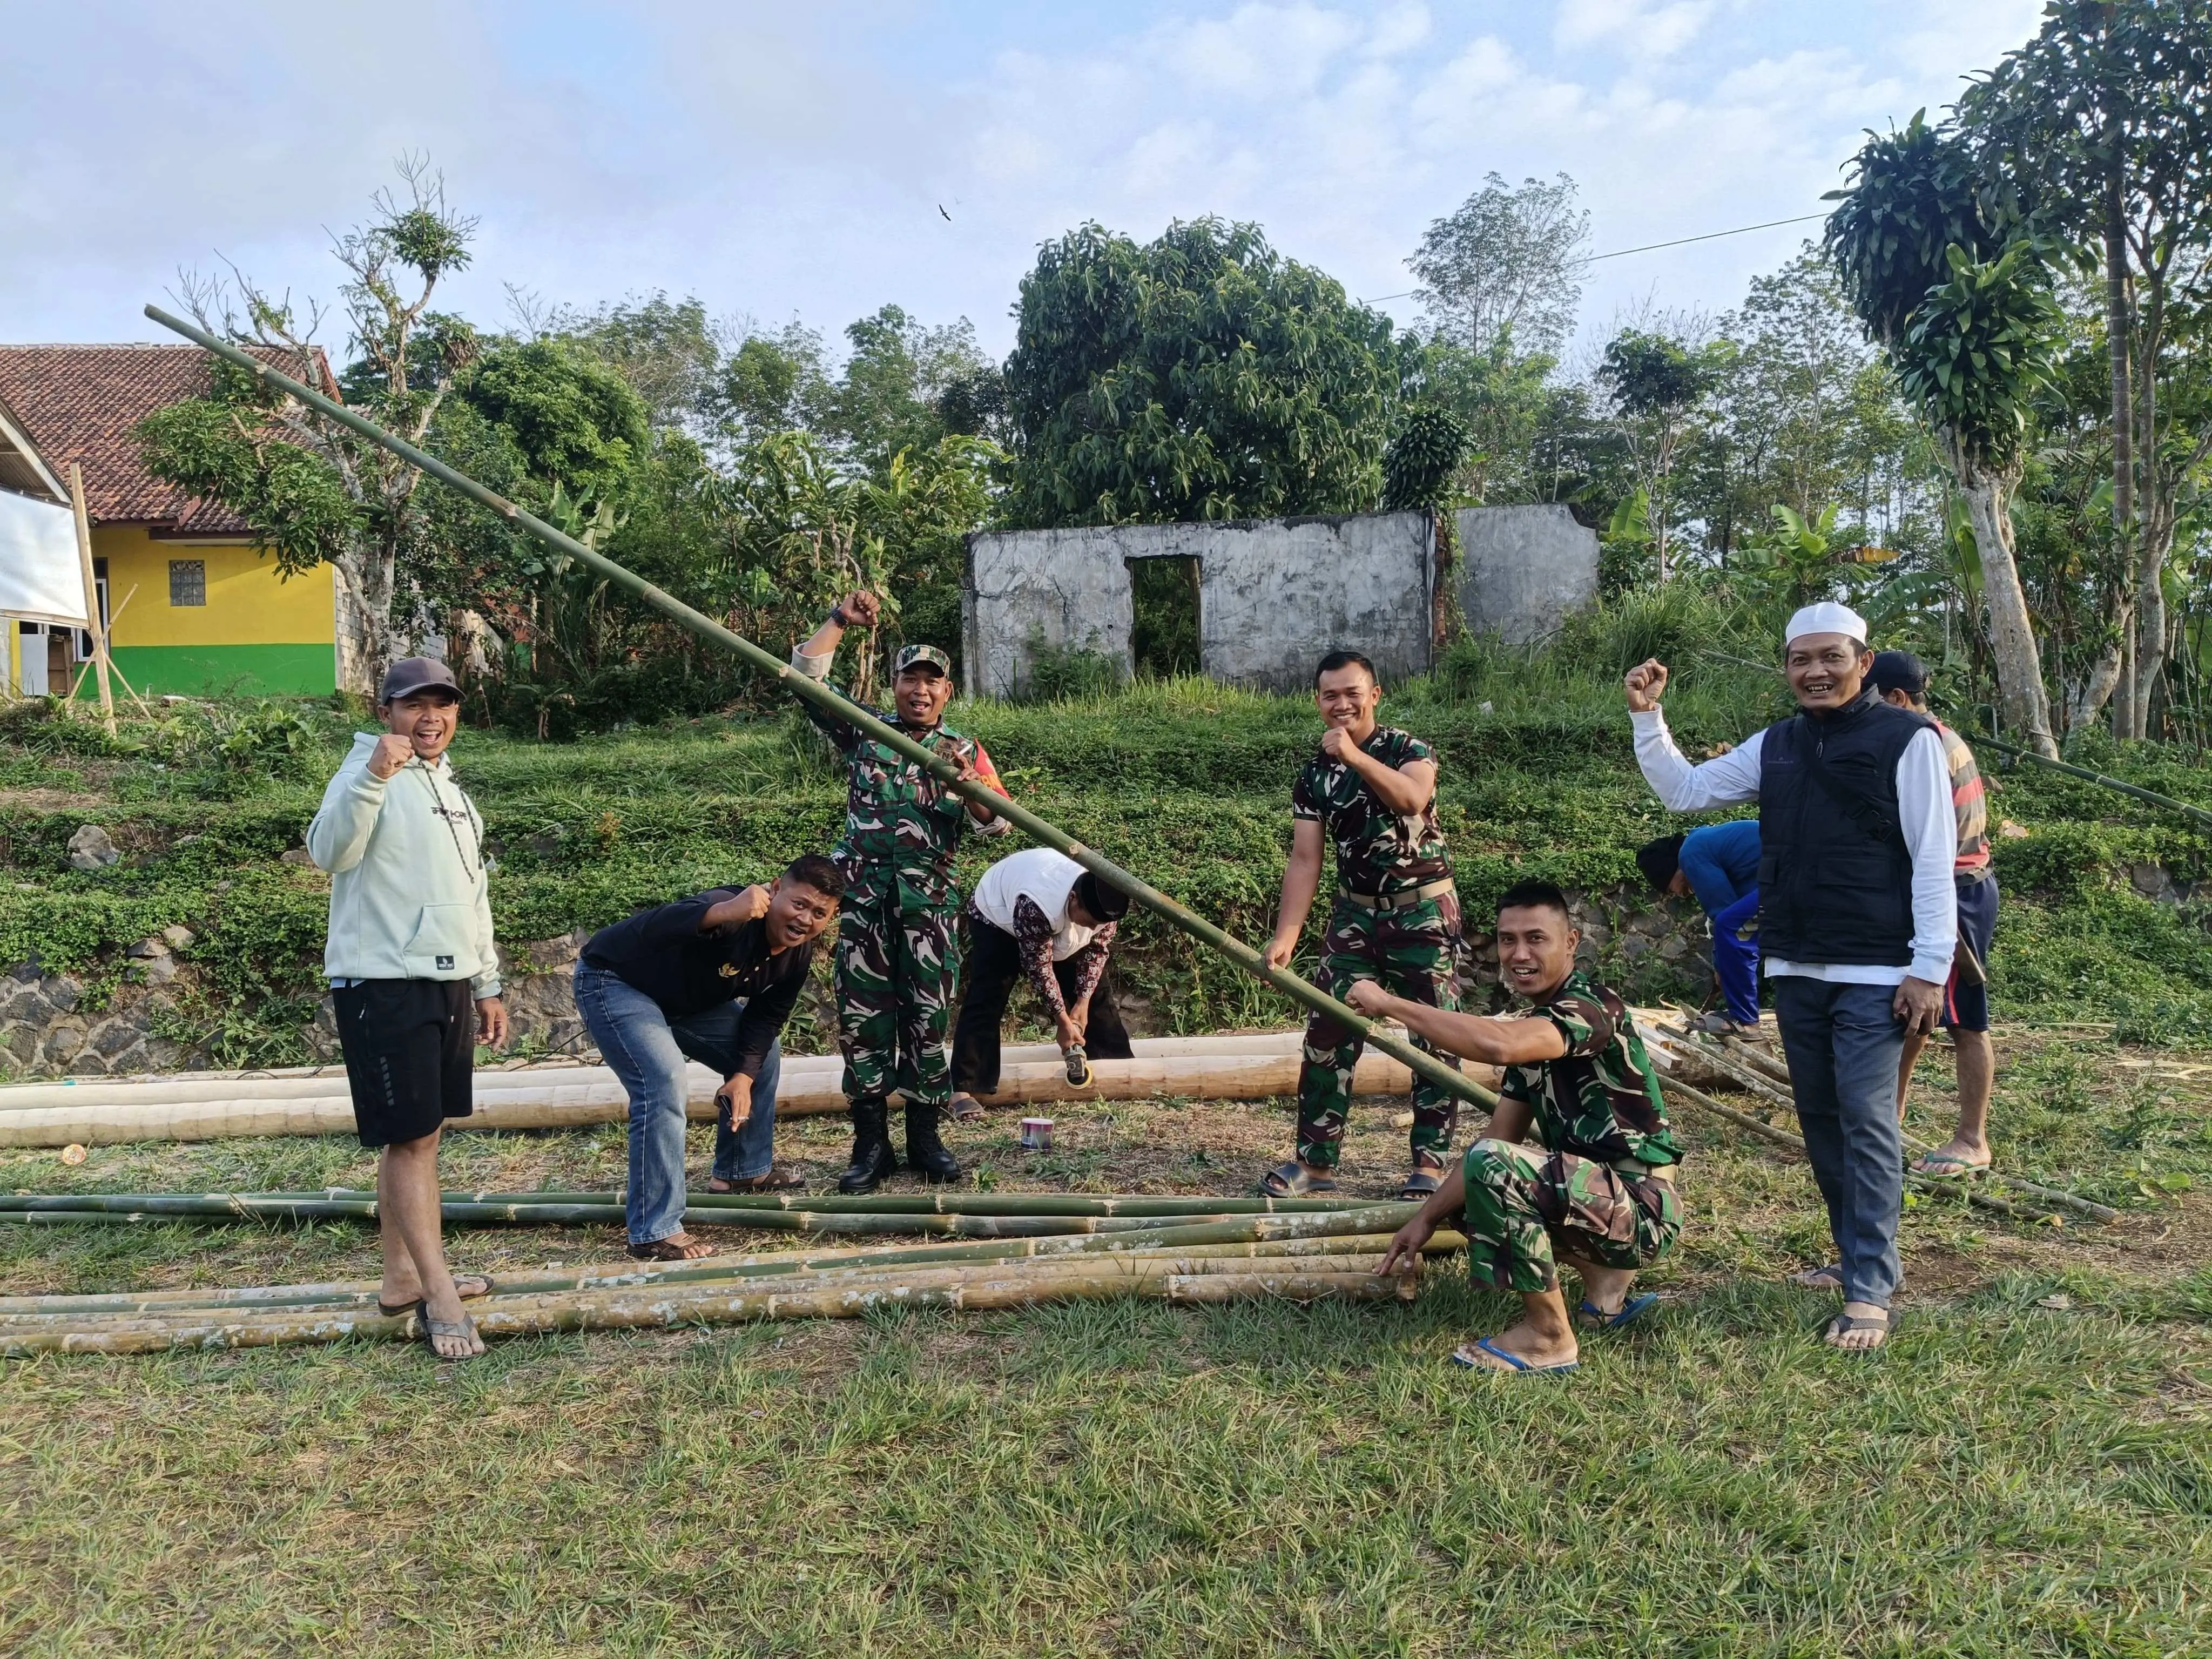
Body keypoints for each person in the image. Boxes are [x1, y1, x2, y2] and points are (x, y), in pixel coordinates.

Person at [1623, 602, 1957, 1354]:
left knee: (1866, 1118)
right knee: (1823, 1120)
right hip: (1798, 964)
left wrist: (1928, 969)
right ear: (1786, 668)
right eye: (1801, 659)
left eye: (1832, 657)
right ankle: (1855, 1256)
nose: (1816, 671)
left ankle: (1869, 1289)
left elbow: (1934, 858)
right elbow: (1686, 792)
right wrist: (1648, 718)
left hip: (1878, 968)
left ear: (1863, 662)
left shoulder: (1909, 740)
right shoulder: (1776, 744)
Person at [1368, 880, 1683, 1374]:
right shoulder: (1539, 1026)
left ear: (1571, 942)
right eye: (1507, 940)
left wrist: (1391, 1004)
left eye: (1536, 939)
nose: (1519, 954)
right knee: (1471, 1185)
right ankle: (1605, 1287)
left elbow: (1501, 1045)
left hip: (1642, 1209)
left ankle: (1549, 1337)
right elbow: (1499, 1136)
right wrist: (1426, 1218)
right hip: (1600, 1199)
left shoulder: (1591, 1008)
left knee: (1490, 1168)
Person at [307, 656, 508, 1361]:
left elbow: (473, 890)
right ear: (385, 712)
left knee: (422, 1136)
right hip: (383, 981)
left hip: (447, 978)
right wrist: (372, 777)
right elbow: (327, 853)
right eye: (415, 705)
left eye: (443, 705)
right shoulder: (364, 772)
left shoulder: (451, 789)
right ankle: (440, 1296)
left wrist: (486, 982)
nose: (431, 718)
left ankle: (402, 1279)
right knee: (411, 1137)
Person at [793, 591, 1009, 1192]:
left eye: (932, 681)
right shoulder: (867, 731)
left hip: (929, 912)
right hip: (864, 906)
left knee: (927, 1021)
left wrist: (969, 790)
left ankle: (924, 1139)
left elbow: (998, 821)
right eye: (910, 678)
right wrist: (839, 618)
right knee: (862, 1022)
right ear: (894, 686)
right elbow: (806, 679)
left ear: (947, 692)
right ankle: (870, 1145)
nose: (920, 690)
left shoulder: (964, 750)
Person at [1261, 649, 1465, 1200]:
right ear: (1318, 701)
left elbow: (1412, 798)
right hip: (1354, 915)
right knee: (1327, 1031)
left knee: (1434, 1035)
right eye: (1330, 695)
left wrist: (1353, 755)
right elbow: (1306, 859)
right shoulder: (1314, 775)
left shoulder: (1407, 750)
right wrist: (1286, 937)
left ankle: (1429, 1165)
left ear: (1374, 695)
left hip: (1421, 911)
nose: (1342, 704)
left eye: (1352, 693)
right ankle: (1315, 1164)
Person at [574, 855, 844, 1260]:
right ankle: (653, 1230)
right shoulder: (730, 910)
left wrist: (742, 1077)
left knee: (761, 1057)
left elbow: (766, 1017)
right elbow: (652, 926)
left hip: (684, 1002)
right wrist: (723, 911)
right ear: (775, 889)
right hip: (616, 982)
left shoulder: (797, 954)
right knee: (663, 1081)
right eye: (799, 904)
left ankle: (741, 1172)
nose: (805, 919)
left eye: (819, 913)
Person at [1870, 650, 2000, 1178]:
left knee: (1965, 1021)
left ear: (1897, 699)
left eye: (1872, 701)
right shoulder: (1939, 735)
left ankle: (1972, 1139)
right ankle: (1891, 1112)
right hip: (1962, 885)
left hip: (1955, 894)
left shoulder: (1922, 745)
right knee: (1915, 1008)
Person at [951, 847, 1134, 1117]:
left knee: (1096, 994)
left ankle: (1118, 1066)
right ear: (1073, 899)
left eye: (1097, 925)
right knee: (990, 992)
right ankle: (964, 1089)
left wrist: (1082, 1004)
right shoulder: (1037, 904)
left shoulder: (1106, 904)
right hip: (996, 914)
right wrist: (1062, 1022)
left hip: (1051, 918)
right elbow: (1039, 968)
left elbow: (1097, 952)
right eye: (1089, 922)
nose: (1092, 928)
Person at [1637, 820, 1762, 1030]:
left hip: (1791, 872)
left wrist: (1722, 968)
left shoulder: (1691, 853)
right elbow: (1738, 917)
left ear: (1671, 872)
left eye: (1671, 890)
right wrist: (1722, 965)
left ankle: (1746, 1022)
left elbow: (1726, 920)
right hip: (1797, 873)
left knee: (1730, 927)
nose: (1680, 895)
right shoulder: (1708, 845)